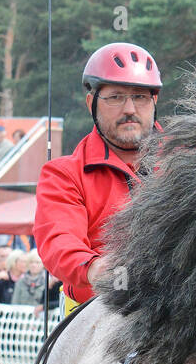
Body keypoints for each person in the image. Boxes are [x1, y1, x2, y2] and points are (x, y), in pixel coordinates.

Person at [34, 41, 162, 315]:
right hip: (94, 319)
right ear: (92, 103)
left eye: (140, 97)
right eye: (115, 97)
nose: (129, 108)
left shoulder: (187, 159)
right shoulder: (64, 174)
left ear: (154, 101)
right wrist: (94, 267)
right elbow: (59, 239)